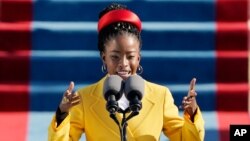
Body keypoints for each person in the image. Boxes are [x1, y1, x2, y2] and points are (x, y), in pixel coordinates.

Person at [48, 3, 205, 141]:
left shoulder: (160, 96)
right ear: (104, 58)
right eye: (115, 57)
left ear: (138, 58)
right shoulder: (85, 98)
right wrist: (62, 113)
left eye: (130, 56)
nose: (123, 64)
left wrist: (192, 114)